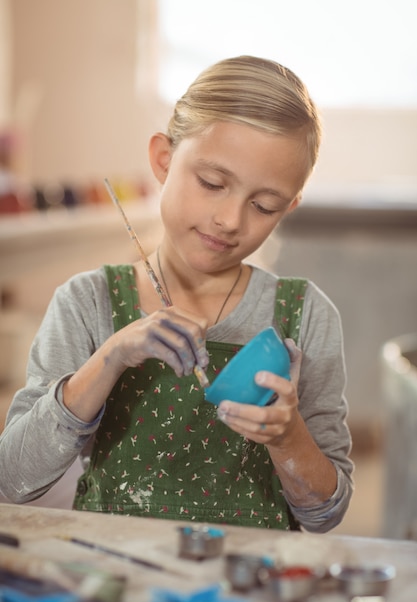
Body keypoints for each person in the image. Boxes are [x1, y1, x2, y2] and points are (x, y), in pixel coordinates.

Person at [0, 56, 353, 532]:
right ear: (163, 161)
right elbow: (13, 481)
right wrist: (109, 359)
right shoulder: (88, 302)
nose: (230, 220)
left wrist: (289, 439)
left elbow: (326, 515)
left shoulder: (305, 314)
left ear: (287, 208)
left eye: (263, 205)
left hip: (248, 589)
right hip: (119, 576)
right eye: (211, 183)